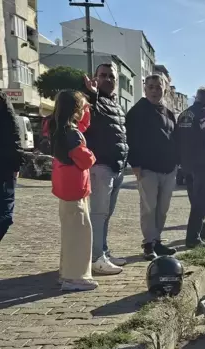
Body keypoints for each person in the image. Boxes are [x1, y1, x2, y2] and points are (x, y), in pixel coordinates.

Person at [126, 74, 178, 261]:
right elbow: (130, 139)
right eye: (151, 87)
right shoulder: (137, 111)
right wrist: (136, 164)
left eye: (158, 87)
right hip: (147, 168)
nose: (155, 90)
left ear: (164, 89)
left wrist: (177, 161)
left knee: (162, 209)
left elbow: (175, 139)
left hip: (168, 169)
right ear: (145, 88)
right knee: (149, 207)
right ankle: (148, 244)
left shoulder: (168, 113)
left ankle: (157, 241)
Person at [50, 91, 98, 291]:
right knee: (79, 232)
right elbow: (86, 159)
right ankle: (75, 276)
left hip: (66, 187)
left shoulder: (59, 128)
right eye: (83, 106)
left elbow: (84, 124)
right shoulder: (71, 133)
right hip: (75, 188)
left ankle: (67, 273)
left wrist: (87, 107)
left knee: (71, 232)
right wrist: (92, 155)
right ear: (76, 109)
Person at [83, 64, 128, 275]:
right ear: (95, 78)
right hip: (100, 165)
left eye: (112, 76)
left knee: (107, 214)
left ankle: (104, 252)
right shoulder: (91, 100)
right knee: (99, 214)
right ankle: (95, 258)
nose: (108, 79)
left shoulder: (115, 104)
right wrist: (92, 94)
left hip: (116, 166)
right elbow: (89, 120)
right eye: (103, 75)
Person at [175, 88, 205, 248]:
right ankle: (193, 239)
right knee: (203, 203)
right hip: (204, 165)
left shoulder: (184, 114)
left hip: (187, 165)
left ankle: (204, 232)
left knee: (195, 201)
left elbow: (177, 138)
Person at [0, 91, 25, 244]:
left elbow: (13, 132)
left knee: (5, 217)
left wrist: (16, 163)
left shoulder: (2, 100)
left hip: (4, 167)